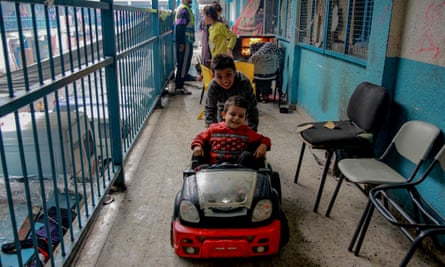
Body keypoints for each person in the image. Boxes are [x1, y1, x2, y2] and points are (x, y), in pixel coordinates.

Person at [192, 95, 270, 169]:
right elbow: (199, 137)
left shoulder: (246, 131)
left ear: (245, 118)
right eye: (232, 114)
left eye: (241, 116)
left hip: (239, 168)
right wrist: (197, 146)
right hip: (214, 168)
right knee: (200, 165)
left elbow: (264, 139)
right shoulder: (213, 129)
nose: (236, 118)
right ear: (223, 115)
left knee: (247, 156)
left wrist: (263, 145)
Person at [205, 54, 259, 131]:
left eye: (228, 75)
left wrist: (252, 131)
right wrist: (213, 132)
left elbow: (252, 108)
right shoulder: (213, 86)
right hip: (223, 111)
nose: (225, 80)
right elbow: (210, 110)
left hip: (240, 115)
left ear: (234, 72)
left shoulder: (243, 82)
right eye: (219, 77)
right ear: (213, 75)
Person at [174, 0, 195, 95]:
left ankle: (180, 84)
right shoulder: (183, 10)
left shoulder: (184, 9)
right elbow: (180, 27)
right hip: (185, 42)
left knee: (182, 64)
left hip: (185, 41)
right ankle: (179, 87)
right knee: (183, 65)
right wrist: (181, 43)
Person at [199, 2, 227, 67]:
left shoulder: (218, 23)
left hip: (211, 47)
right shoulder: (214, 23)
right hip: (210, 46)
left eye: (203, 15)